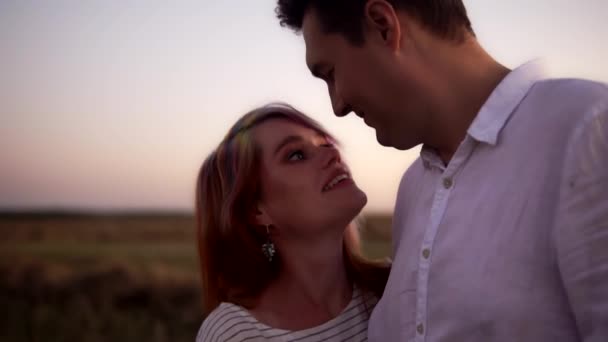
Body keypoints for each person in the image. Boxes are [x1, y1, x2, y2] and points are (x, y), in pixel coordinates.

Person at [275, 0, 608, 341]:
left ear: (383, 25)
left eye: (330, 73)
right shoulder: (414, 187)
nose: (337, 106)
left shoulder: (588, 129)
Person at [194, 103, 390, 341]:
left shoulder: (394, 288)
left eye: (325, 144)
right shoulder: (235, 334)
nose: (332, 154)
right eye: (296, 155)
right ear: (257, 211)